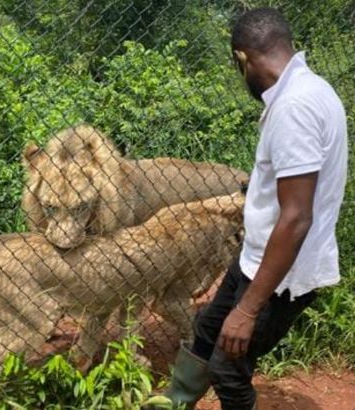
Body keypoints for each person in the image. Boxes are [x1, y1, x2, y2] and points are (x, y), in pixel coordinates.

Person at [149, 7, 348, 410]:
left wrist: (248, 308)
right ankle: (175, 403)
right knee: (207, 329)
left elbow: (296, 218)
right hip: (259, 258)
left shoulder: (294, 108)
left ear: (243, 58)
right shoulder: (309, 90)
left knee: (227, 366)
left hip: (283, 273)